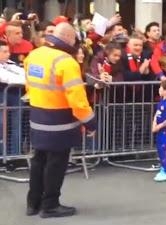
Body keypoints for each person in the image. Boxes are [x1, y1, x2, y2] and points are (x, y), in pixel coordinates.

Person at [24, 22, 96, 218]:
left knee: (39, 161)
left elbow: (29, 86)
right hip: (60, 121)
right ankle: (50, 205)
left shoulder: (34, 54)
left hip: (37, 116)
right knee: (56, 164)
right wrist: (90, 122)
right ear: (68, 38)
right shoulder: (67, 62)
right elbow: (77, 100)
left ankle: (33, 203)